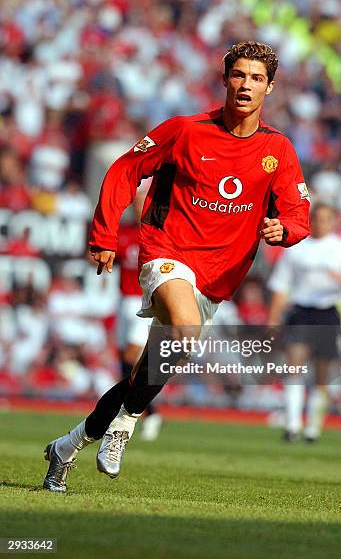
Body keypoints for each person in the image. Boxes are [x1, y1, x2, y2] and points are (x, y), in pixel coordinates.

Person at [43, 40, 310, 492]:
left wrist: (283, 231)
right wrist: (104, 235)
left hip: (218, 277)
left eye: (257, 78)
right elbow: (125, 169)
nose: (246, 85)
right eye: (239, 75)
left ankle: (66, 446)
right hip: (167, 250)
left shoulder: (277, 150)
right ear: (225, 79)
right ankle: (124, 428)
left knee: (147, 373)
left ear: (271, 87)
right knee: (182, 329)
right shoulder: (185, 130)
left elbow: (297, 214)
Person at [268, 202, 341, 442]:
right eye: (317, 219)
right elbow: (281, 286)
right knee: (295, 365)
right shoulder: (296, 248)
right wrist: (273, 317)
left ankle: (313, 426)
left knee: (322, 374)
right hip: (301, 311)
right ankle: (292, 425)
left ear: (333, 222)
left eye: (326, 219)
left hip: (327, 313)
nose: (321, 224)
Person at [116, 190, 163, 441]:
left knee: (131, 356)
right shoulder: (123, 233)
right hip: (122, 300)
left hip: (140, 301)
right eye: (134, 204)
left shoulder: (154, 233)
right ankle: (138, 409)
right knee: (123, 361)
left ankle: (146, 411)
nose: (137, 209)